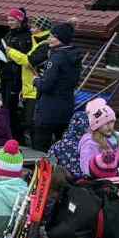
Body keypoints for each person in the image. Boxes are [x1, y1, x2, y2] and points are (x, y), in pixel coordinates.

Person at [30, 22, 81, 151]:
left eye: (52, 36)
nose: (49, 39)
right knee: (62, 148)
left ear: (61, 39)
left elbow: (46, 85)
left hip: (48, 110)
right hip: (66, 108)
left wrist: (36, 80)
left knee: (40, 149)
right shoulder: (75, 56)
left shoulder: (57, 58)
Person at [0, 9, 46, 144]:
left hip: (18, 78)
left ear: (20, 20)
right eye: (8, 20)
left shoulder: (27, 37)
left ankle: (18, 139)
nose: (9, 23)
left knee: (15, 110)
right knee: (7, 108)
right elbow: (3, 51)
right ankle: (10, 137)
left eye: (12, 20)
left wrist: (11, 54)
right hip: (6, 75)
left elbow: (27, 59)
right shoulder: (9, 34)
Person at [78, 98, 119, 180]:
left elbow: (113, 163)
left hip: (111, 179)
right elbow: (87, 170)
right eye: (105, 123)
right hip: (96, 183)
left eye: (112, 122)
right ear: (95, 125)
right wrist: (117, 157)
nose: (109, 126)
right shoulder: (89, 143)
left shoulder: (109, 138)